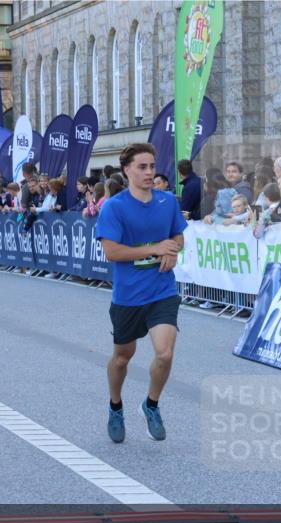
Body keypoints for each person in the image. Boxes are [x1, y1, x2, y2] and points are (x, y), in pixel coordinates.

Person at [96, 143, 187, 443]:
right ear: (127, 170)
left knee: (165, 353)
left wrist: (172, 250)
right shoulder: (114, 207)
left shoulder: (167, 202)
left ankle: (151, 405)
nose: (149, 172)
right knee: (122, 358)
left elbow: (178, 235)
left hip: (162, 290)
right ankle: (115, 406)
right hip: (128, 295)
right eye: (142, 167)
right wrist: (154, 248)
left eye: (152, 166)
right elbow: (111, 251)